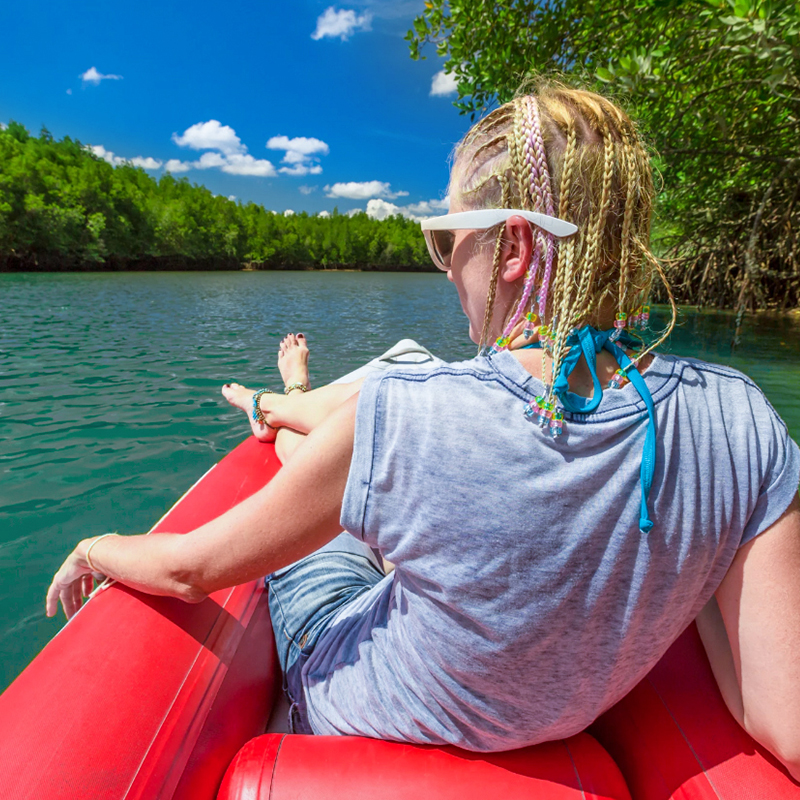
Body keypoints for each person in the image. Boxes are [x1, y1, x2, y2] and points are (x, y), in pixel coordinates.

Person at [46, 84, 800, 777]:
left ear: (511, 248)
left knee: (327, 474)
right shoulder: (739, 417)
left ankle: (284, 402)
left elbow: (188, 569)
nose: (443, 269)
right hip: (540, 692)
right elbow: (781, 720)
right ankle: (289, 403)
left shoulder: (415, 408)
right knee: (352, 447)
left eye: (445, 240)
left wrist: (92, 546)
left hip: (340, 667)